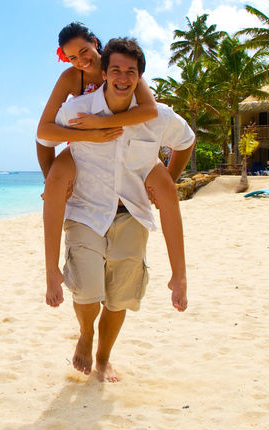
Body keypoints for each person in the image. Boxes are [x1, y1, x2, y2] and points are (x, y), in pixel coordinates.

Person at [39, 37, 194, 382]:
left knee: (119, 299)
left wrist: (167, 177)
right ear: (104, 73)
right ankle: (85, 333)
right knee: (86, 290)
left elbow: (185, 141)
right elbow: (44, 137)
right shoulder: (79, 110)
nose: (123, 78)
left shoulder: (158, 117)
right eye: (116, 71)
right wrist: (53, 178)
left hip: (132, 213)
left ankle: (104, 358)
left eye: (131, 72)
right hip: (86, 212)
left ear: (140, 77)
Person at [36, 23, 183, 307]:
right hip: (84, 143)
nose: (80, 61)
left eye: (84, 51)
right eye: (72, 58)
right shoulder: (70, 77)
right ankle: (51, 271)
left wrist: (104, 124)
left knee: (166, 187)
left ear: (95, 42)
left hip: (125, 142)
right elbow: (44, 131)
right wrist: (89, 135)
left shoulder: (121, 67)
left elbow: (149, 109)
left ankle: (179, 276)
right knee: (55, 183)